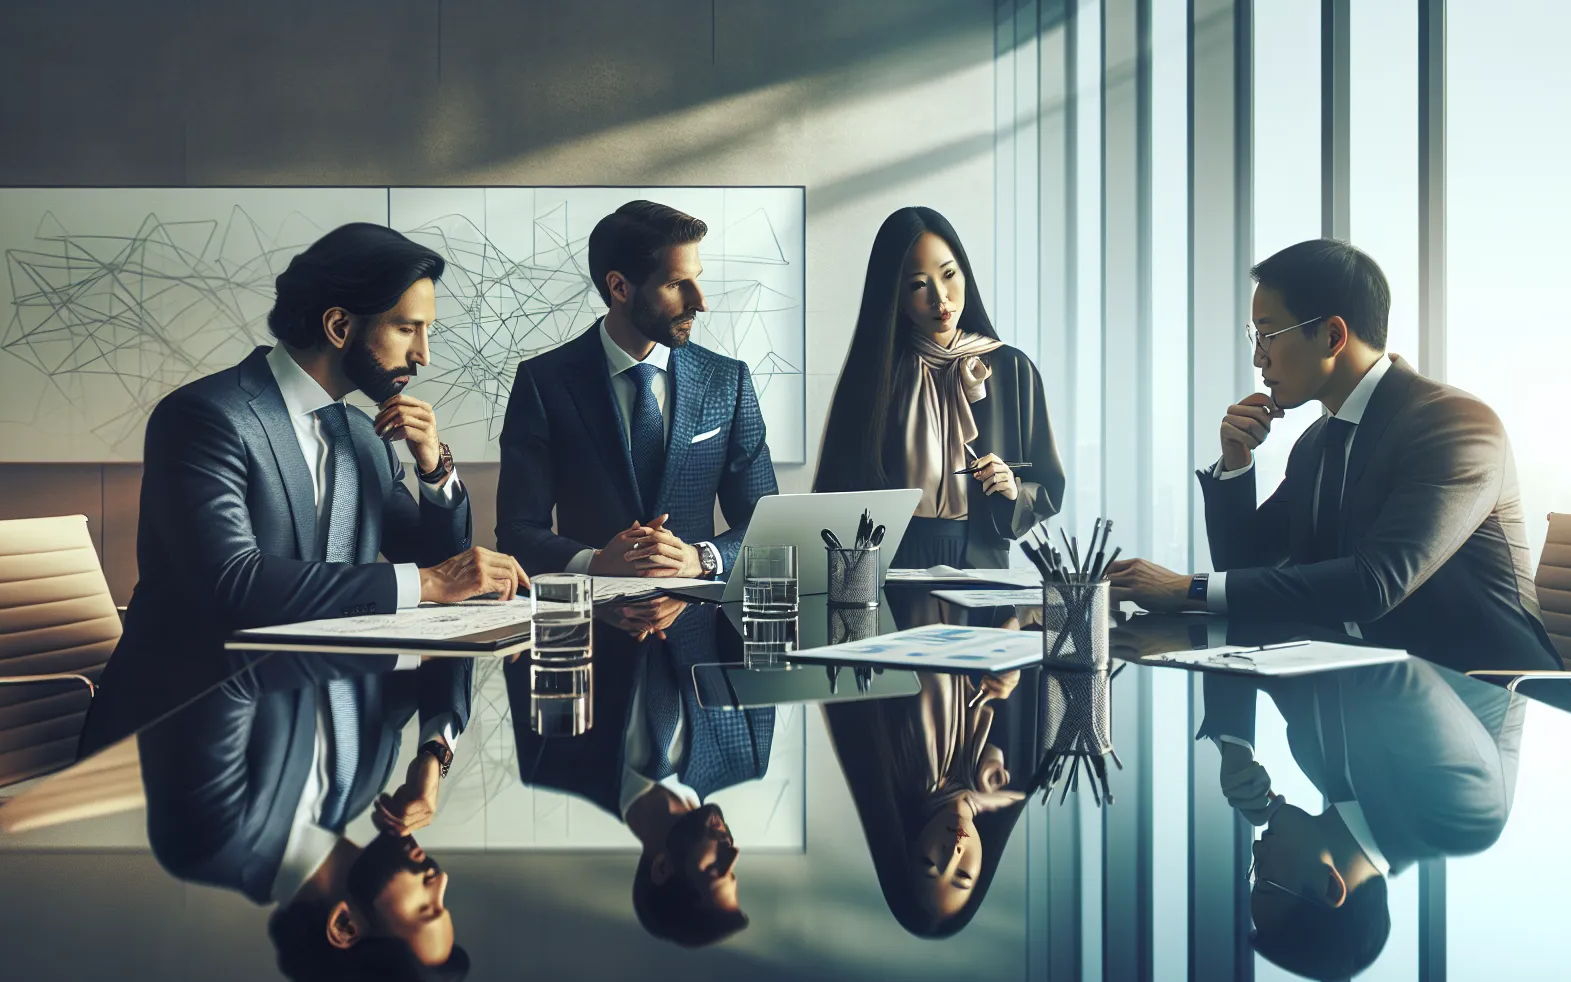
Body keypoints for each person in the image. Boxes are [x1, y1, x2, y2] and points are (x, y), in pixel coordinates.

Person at [101, 222, 529, 699]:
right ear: (339, 326)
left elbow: (440, 564)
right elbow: (232, 583)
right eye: (408, 328)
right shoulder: (205, 417)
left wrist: (433, 468)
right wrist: (429, 583)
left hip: (334, 719)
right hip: (194, 723)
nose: (423, 355)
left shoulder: (368, 439)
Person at [1106, 239, 1561, 673]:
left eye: (1267, 335)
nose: (1258, 360)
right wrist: (1236, 462)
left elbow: (1373, 584)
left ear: (1332, 335)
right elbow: (1247, 568)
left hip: (1491, 701)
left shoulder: (1455, 425)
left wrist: (1187, 588)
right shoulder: (1318, 442)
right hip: (1374, 693)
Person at [138, 651, 473, 982]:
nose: (440, 879)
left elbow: (222, 655)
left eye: (426, 908)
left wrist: (381, 603)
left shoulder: (210, 842)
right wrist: (433, 752)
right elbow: (450, 642)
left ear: (345, 926)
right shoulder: (366, 781)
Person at [496, 201, 778, 580]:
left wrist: (701, 559)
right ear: (619, 287)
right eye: (677, 284)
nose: (700, 302)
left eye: (697, 279)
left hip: (697, 631)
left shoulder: (728, 381)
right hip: (594, 630)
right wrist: (594, 562)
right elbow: (517, 530)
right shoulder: (544, 382)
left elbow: (769, 525)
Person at [1199, 660, 1524, 981]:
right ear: (1331, 887)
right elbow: (1386, 666)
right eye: (1268, 883)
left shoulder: (1318, 765)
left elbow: (1249, 655)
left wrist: (1235, 747)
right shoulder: (1462, 819)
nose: (1255, 851)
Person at [507, 601, 773, 947]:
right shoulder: (748, 751)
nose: (732, 853)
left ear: (662, 868)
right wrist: (702, 567)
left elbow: (551, 604)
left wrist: (611, 607)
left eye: (714, 870)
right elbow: (765, 594)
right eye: (732, 871)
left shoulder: (553, 757)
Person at [814, 207, 1064, 569]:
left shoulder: (1013, 368)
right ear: (894, 296)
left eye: (949, 274)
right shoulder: (876, 374)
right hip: (891, 565)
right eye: (918, 285)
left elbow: (1047, 486)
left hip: (983, 559)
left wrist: (1012, 490)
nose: (941, 298)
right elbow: (836, 496)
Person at [822, 597, 1033, 937]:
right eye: (963, 874)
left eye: (930, 864)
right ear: (982, 871)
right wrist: (1016, 640)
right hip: (980, 561)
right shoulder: (1010, 781)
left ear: (911, 846)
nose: (954, 853)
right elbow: (1039, 620)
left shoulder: (906, 766)